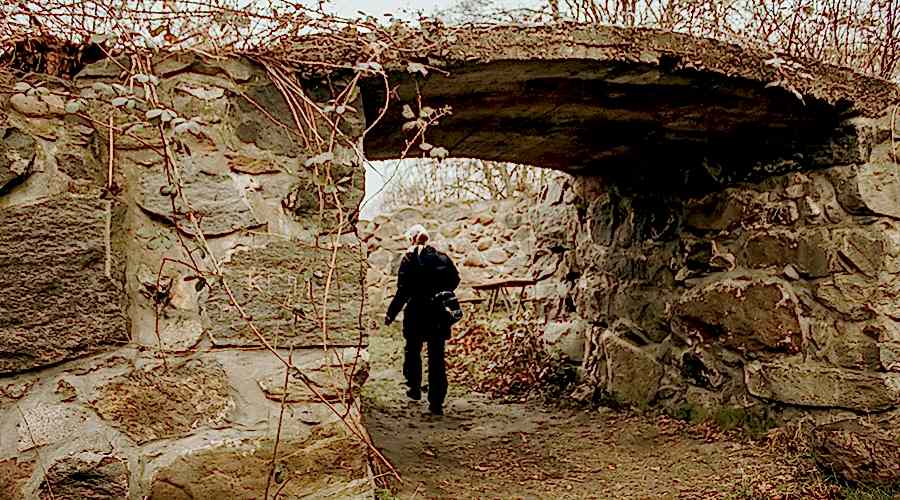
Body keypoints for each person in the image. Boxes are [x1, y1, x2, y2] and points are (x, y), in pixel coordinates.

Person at [384, 224, 460, 416]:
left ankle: (414, 387)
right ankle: (436, 403)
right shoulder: (442, 257)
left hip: (416, 312)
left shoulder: (409, 260)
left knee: (412, 351)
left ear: (411, 239)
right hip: (438, 313)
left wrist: (391, 313)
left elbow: (402, 291)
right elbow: (455, 280)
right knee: (437, 358)